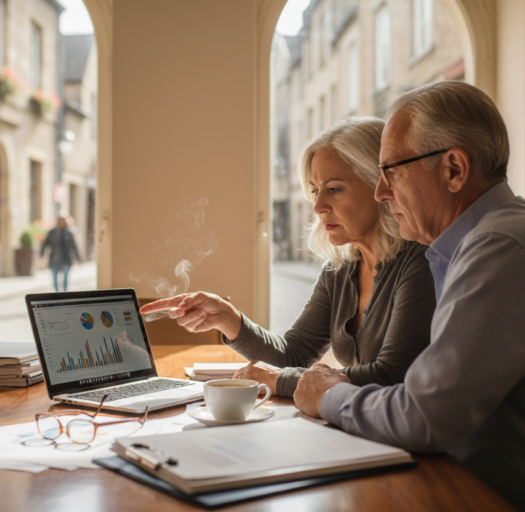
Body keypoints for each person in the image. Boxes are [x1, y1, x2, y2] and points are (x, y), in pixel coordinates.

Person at [292, 82, 525, 511]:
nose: (382, 192)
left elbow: (425, 416)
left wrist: (328, 394)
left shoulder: (503, 247)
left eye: (391, 171)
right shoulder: (474, 244)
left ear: (454, 169)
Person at [140, 117, 436, 398]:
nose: (318, 205)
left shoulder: (422, 262)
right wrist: (229, 319)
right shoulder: (341, 269)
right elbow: (294, 354)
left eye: (334, 189)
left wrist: (282, 381)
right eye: (315, 191)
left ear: (381, 187)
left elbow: (393, 376)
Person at [41, 215, 81, 292]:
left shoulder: (68, 233)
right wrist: (41, 255)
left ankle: (64, 293)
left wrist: (78, 258)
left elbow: (73, 246)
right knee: (55, 281)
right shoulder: (52, 233)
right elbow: (45, 244)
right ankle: (57, 293)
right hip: (54, 260)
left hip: (66, 260)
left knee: (65, 280)